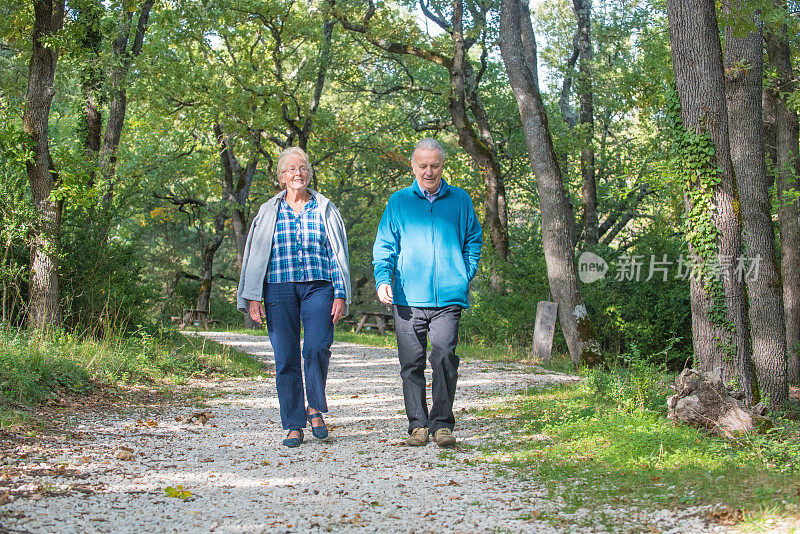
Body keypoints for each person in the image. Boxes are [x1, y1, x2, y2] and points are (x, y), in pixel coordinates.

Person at [237, 147, 351, 448]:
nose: (297, 173)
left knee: (316, 347)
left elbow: (337, 254)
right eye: (290, 169)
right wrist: (253, 297)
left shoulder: (324, 207)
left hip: (319, 286)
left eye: (302, 168)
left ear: (309, 173)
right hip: (278, 287)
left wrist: (340, 293)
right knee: (285, 356)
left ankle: (315, 408)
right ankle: (292, 424)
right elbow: (255, 256)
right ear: (282, 176)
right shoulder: (268, 210)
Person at [372, 138, 482, 447]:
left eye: (434, 166)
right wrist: (383, 278)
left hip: (448, 297)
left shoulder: (460, 200)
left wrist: (463, 273)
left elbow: (474, 239)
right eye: (423, 166)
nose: (429, 172)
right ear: (413, 166)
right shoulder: (399, 202)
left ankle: (442, 424)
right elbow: (384, 247)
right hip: (407, 297)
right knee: (412, 362)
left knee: (445, 356)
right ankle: (417, 424)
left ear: (442, 166)